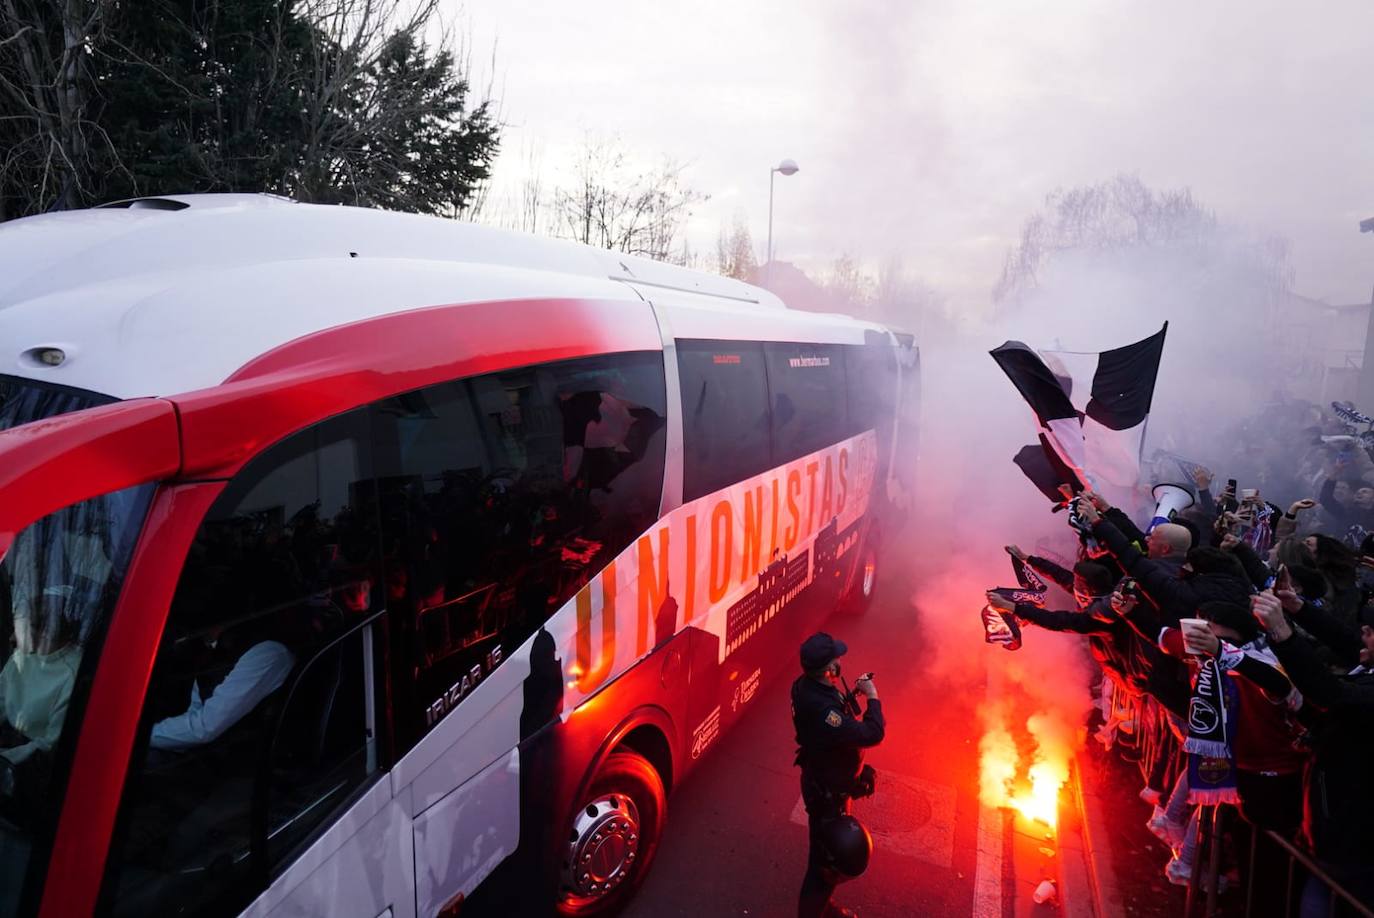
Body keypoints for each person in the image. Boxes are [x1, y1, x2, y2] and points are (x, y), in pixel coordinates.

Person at [791, 632, 884, 918]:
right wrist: (872, 697)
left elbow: (833, 718)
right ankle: (814, 911)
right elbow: (872, 733)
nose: (840, 661)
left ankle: (821, 906)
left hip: (825, 779)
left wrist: (849, 695)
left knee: (823, 855)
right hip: (828, 792)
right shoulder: (825, 712)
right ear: (828, 669)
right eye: (836, 659)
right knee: (823, 863)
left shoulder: (804, 686)